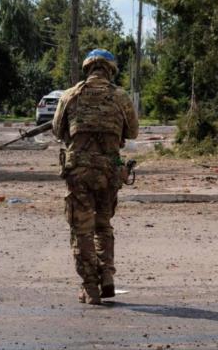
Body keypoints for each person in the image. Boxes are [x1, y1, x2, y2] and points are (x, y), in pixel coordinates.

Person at [52, 48, 139, 305]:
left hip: (78, 173)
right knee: (103, 225)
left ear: (87, 68)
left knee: (81, 230)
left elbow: (58, 130)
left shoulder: (70, 95)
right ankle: (108, 276)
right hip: (108, 173)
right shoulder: (120, 97)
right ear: (110, 70)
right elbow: (133, 132)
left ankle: (90, 287)